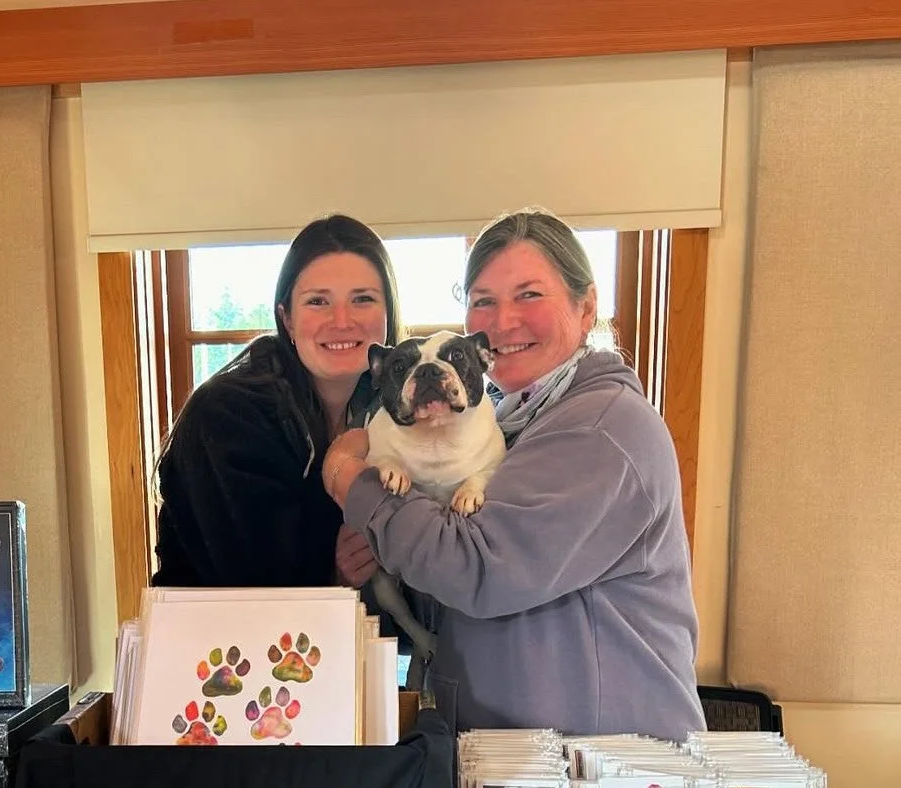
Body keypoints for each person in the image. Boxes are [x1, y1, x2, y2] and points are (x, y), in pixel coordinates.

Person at [323, 209, 705, 742]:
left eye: (529, 295)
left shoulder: (598, 429)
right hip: (527, 758)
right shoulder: (513, 421)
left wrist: (350, 480)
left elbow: (479, 569)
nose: (503, 322)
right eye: (483, 302)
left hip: (602, 768)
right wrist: (381, 556)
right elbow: (454, 586)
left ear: (586, 304)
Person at [151, 215, 401, 587]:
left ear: (387, 314)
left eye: (362, 299)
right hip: (221, 638)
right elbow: (255, 575)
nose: (342, 321)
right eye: (318, 301)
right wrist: (333, 567)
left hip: (340, 637)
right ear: (286, 319)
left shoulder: (390, 410)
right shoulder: (226, 413)